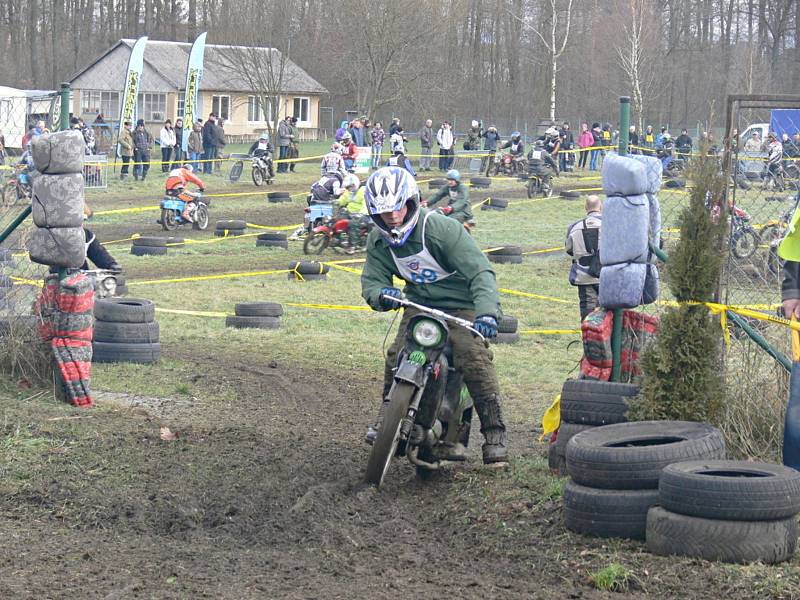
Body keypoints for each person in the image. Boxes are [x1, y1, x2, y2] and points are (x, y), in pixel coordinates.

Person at [360, 167, 508, 465]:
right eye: (383, 211)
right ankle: (386, 415)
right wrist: (381, 294)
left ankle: (495, 435)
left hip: (463, 306)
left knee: (473, 358)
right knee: (397, 353)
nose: (392, 216)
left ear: (411, 202)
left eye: (397, 207)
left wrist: (487, 314)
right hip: (420, 305)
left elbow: (481, 272)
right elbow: (373, 280)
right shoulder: (378, 241)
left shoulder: (441, 230)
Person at [565, 195, 603, 320]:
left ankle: (589, 337)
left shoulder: (574, 227)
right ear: (601, 207)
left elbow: (569, 249)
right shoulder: (610, 225)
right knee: (608, 312)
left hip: (584, 275)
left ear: (586, 207)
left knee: (588, 313)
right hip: (606, 275)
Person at [338, 173, 369, 252]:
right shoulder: (348, 192)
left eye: (350, 186)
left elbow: (366, 205)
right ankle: (340, 239)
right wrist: (336, 202)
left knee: (353, 223)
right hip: (350, 213)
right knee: (338, 219)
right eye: (347, 187)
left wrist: (361, 214)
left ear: (355, 184)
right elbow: (343, 200)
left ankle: (353, 245)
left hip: (364, 215)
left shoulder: (363, 191)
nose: (349, 189)